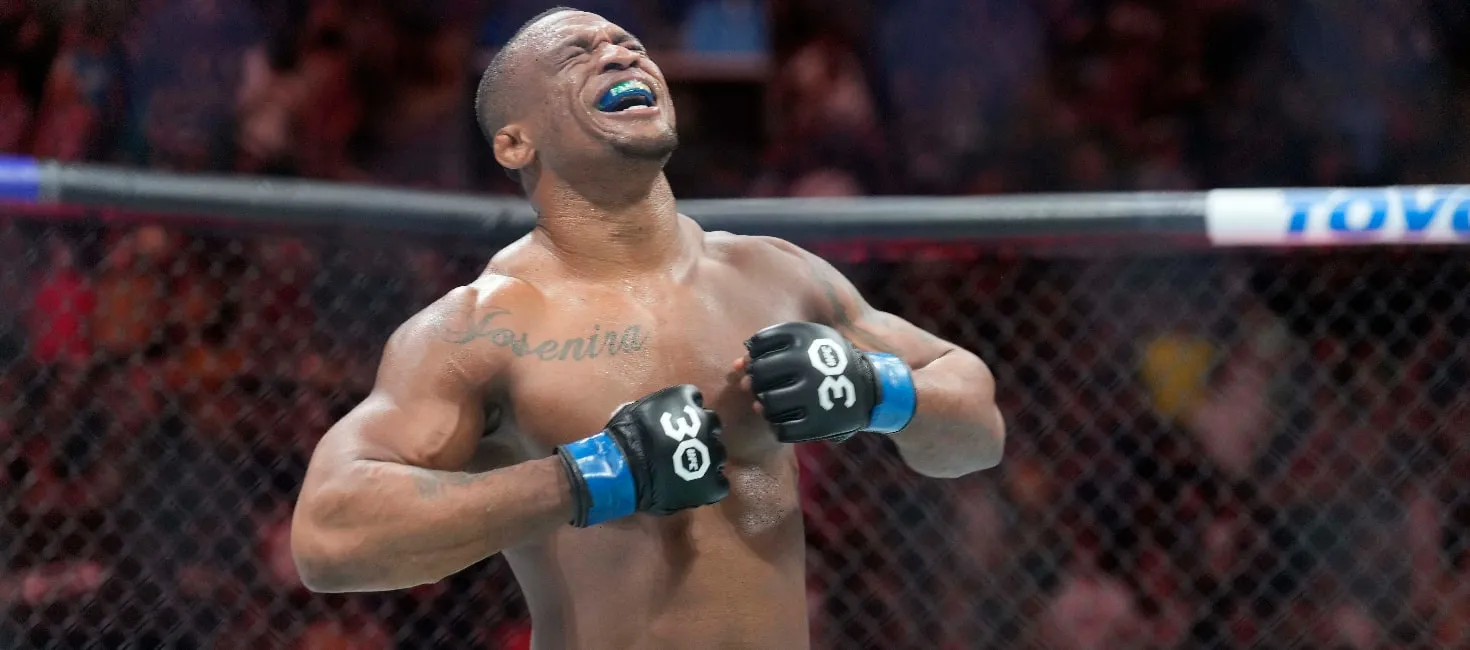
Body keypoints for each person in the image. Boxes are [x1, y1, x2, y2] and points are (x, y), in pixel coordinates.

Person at [290, 7, 1005, 648]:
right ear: (514, 143)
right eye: (577, 54)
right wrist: (595, 477)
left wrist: (878, 389)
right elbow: (329, 536)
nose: (619, 53)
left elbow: (978, 427)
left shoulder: (774, 274)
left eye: (629, 44)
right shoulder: (483, 327)